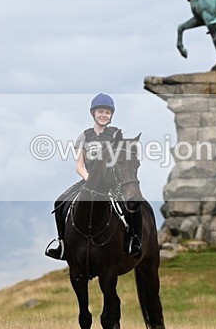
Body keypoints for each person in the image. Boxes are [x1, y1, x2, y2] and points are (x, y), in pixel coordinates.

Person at [45, 93, 143, 260]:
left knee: (133, 205)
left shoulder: (115, 135)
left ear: (111, 115)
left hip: (112, 182)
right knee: (60, 203)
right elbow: (79, 166)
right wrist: (89, 179)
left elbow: (122, 159)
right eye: (100, 111)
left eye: (107, 112)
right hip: (89, 181)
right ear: (93, 113)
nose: (104, 115)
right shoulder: (84, 137)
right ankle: (61, 243)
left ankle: (134, 240)